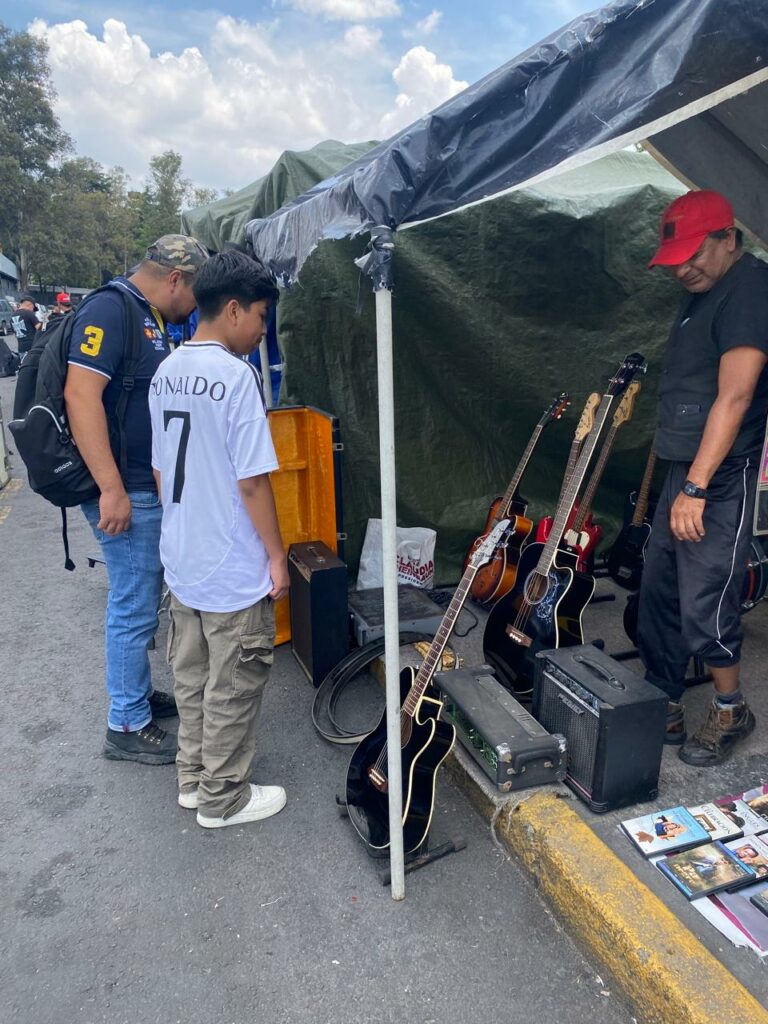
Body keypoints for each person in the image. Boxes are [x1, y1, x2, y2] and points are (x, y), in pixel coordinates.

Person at [148, 249, 288, 828]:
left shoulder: (167, 370)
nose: (261, 330)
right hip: (230, 563)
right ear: (233, 310)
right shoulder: (236, 377)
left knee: (193, 676)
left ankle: (192, 779)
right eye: (259, 316)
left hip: (182, 556)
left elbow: (160, 472)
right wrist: (277, 557)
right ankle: (223, 798)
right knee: (232, 682)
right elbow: (252, 482)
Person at [64, 234, 209, 764]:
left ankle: (138, 695)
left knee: (142, 599)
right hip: (124, 489)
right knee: (133, 602)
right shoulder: (111, 308)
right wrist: (111, 489)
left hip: (140, 486)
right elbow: (81, 396)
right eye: (195, 294)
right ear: (176, 278)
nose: (194, 308)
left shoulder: (144, 312)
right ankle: (125, 722)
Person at [637, 190, 768, 766]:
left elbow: (736, 395)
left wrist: (695, 487)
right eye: (674, 262)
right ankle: (664, 696)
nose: (683, 269)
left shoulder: (750, 289)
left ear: (729, 239)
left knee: (705, 597)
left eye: (695, 254)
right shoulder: (703, 291)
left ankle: (730, 707)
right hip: (682, 467)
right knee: (659, 588)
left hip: (717, 474)